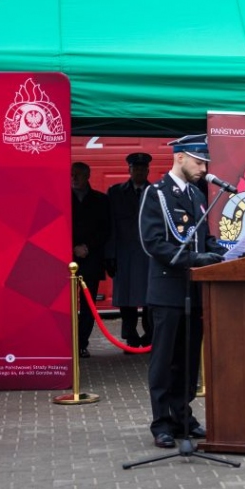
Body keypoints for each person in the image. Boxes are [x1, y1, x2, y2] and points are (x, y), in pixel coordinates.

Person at [138, 134, 226, 449]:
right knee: (164, 361)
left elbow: (204, 237)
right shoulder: (157, 194)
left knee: (188, 361)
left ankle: (182, 418)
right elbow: (152, 242)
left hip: (195, 290)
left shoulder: (196, 194)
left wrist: (227, 251)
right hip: (168, 290)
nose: (204, 169)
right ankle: (161, 423)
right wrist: (193, 259)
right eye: (199, 162)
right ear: (180, 157)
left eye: (205, 163)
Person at [106, 152, 154, 350]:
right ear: (129, 170)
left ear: (148, 171)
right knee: (127, 300)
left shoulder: (156, 191)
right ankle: (130, 337)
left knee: (151, 298)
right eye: (136, 168)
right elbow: (109, 225)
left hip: (149, 254)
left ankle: (150, 335)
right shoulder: (115, 192)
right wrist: (110, 256)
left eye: (143, 169)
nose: (139, 172)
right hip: (124, 253)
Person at [71, 161, 111, 359]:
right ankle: (67, 343)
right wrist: (73, 247)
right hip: (67, 259)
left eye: (78, 174)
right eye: (72, 174)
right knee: (66, 305)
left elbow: (106, 229)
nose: (74, 178)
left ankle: (81, 343)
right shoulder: (62, 198)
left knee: (88, 305)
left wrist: (87, 247)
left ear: (88, 176)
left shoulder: (101, 200)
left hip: (91, 258)